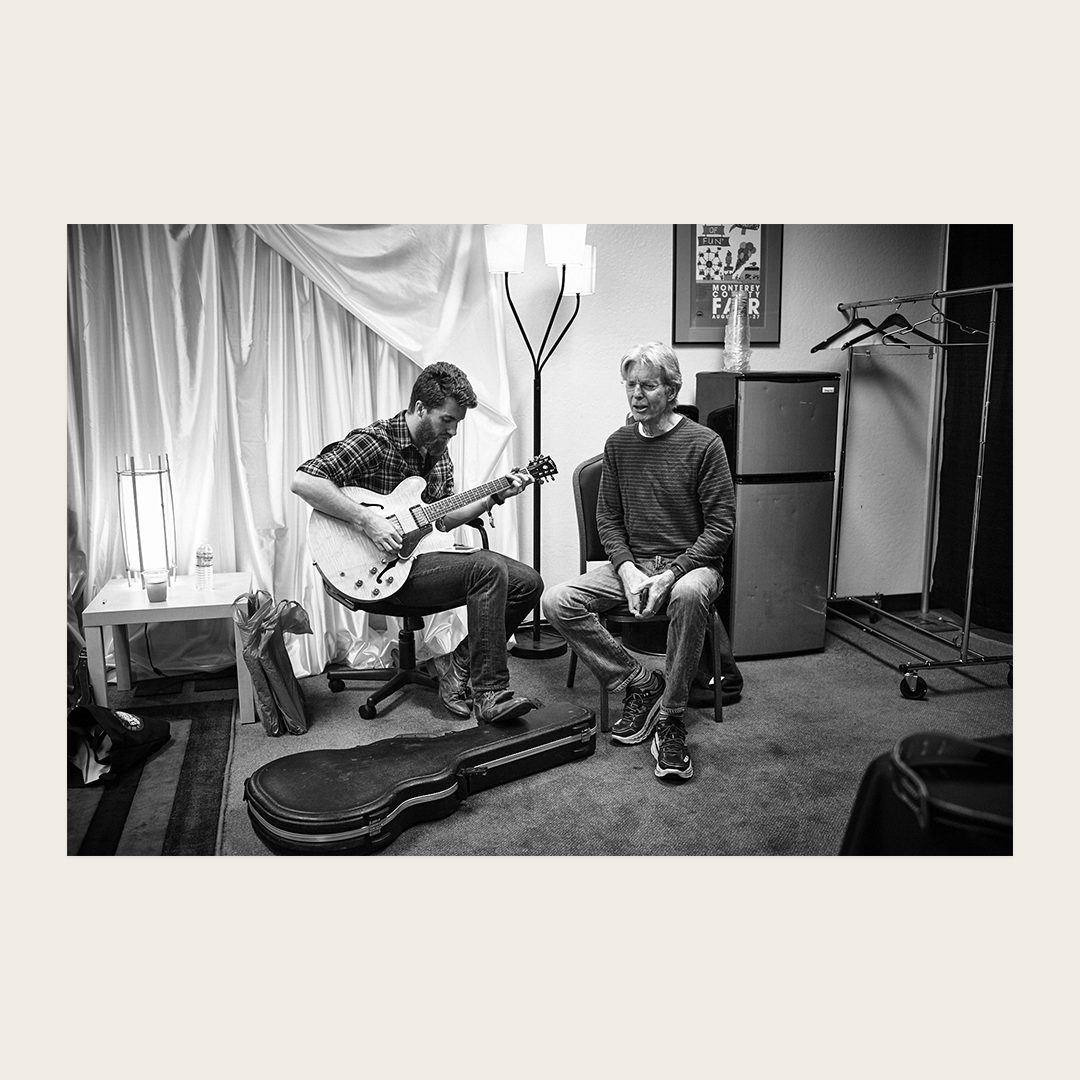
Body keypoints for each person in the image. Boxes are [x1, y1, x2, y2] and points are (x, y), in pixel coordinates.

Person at [292, 361, 542, 724]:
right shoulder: (376, 442)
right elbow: (304, 481)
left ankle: (457, 666)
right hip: (369, 570)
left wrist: (493, 496)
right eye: (447, 420)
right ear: (421, 408)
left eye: (458, 422)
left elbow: (441, 517)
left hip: (415, 562)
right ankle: (490, 693)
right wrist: (368, 521)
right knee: (488, 569)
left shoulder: (438, 452)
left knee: (529, 583)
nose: (453, 431)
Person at [542, 342, 742, 781]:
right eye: (630, 385)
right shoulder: (618, 444)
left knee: (689, 595)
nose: (636, 395)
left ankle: (670, 717)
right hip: (633, 566)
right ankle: (639, 682)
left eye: (647, 386)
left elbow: (720, 530)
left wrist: (672, 574)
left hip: (690, 566)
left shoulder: (705, 444)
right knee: (556, 600)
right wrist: (628, 570)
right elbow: (608, 519)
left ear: (671, 390)